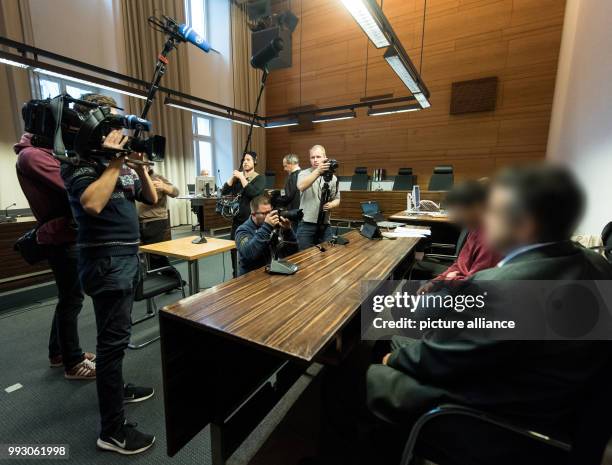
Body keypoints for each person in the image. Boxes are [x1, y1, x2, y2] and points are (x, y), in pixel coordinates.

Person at [320, 165, 612, 465]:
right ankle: (386, 434)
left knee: (347, 379)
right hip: (550, 405)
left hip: (493, 418)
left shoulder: (505, 286)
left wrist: (392, 360)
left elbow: (443, 360)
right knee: (389, 339)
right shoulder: (599, 267)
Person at [61, 93, 158, 455]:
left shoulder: (118, 166)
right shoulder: (77, 164)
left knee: (116, 340)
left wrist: (142, 167)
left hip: (127, 261)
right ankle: (112, 431)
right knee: (111, 344)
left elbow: (149, 198)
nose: (119, 130)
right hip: (106, 264)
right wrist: (116, 162)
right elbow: (92, 203)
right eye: (111, 123)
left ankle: (117, 387)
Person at [15, 133, 96, 380]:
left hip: (66, 236)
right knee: (71, 300)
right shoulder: (32, 155)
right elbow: (71, 184)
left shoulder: (40, 153)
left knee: (69, 298)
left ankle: (58, 352)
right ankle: (73, 362)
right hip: (61, 238)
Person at [417, 180, 501, 293]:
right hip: (455, 283)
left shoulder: (490, 240)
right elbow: (460, 264)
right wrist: (436, 281)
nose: (456, 216)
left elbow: (475, 286)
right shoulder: (475, 229)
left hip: (465, 294)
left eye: (459, 209)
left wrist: (449, 279)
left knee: (414, 300)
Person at [221, 151, 266, 277]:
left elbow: (253, 193)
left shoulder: (260, 178)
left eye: (248, 159)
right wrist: (233, 177)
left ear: (255, 162)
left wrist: (242, 178)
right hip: (237, 221)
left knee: (250, 251)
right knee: (233, 250)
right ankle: (236, 275)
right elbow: (224, 191)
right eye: (244, 160)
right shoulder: (238, 180)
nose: (245, 162)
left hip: (252, 222)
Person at [234, 195, 298, 275]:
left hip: (272, 272)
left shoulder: (274, 226)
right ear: (253, 214)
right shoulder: (242, 230)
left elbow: (294, 251)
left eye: (270, 212)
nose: (269, 216)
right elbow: (249, 253)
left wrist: (288, 231)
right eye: (265, 213)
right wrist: (267, 227)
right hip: (251, 278)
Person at [296, 145, 340, 250]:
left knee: (329, 255)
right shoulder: (304, 173)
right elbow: (301, 186)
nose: (315, 160)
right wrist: (318, 171)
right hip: (306, 224)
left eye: (318, 157)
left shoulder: (333, 178)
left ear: (325, 158)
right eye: (312, 157)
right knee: (303, 258)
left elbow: (337, 199)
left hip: (325, 224)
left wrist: (331, 204)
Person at [138, 167, 179, 270]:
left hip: (155, 220)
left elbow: (176, 192)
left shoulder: (156, 177)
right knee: (147, 253)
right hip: (137, 221)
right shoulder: (133, 177)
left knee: (155, 254)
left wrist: (164, 186)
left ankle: (173, 277)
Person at [272, 154, 302, 231]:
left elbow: (287, 196)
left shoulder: (292, 176)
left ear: (291, 164)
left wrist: (274, 198)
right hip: (299, 212)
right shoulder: (302, 174)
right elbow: (287, 190)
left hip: (293, 213)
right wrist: (278, 192)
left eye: (285, 166)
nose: (284, 169)